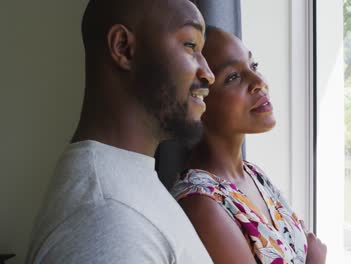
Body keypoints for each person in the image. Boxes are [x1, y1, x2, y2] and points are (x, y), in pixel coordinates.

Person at [26, 0, 215, 263]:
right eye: (190, 45)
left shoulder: (124, 186)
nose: (208, 73)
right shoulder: (107, 221)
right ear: (123, 48)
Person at [171, 27, 327, 264]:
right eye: (233, 77)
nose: (259, 82)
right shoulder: (201, 203)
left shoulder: (255, 175)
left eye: (253, 66)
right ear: (198, 99)